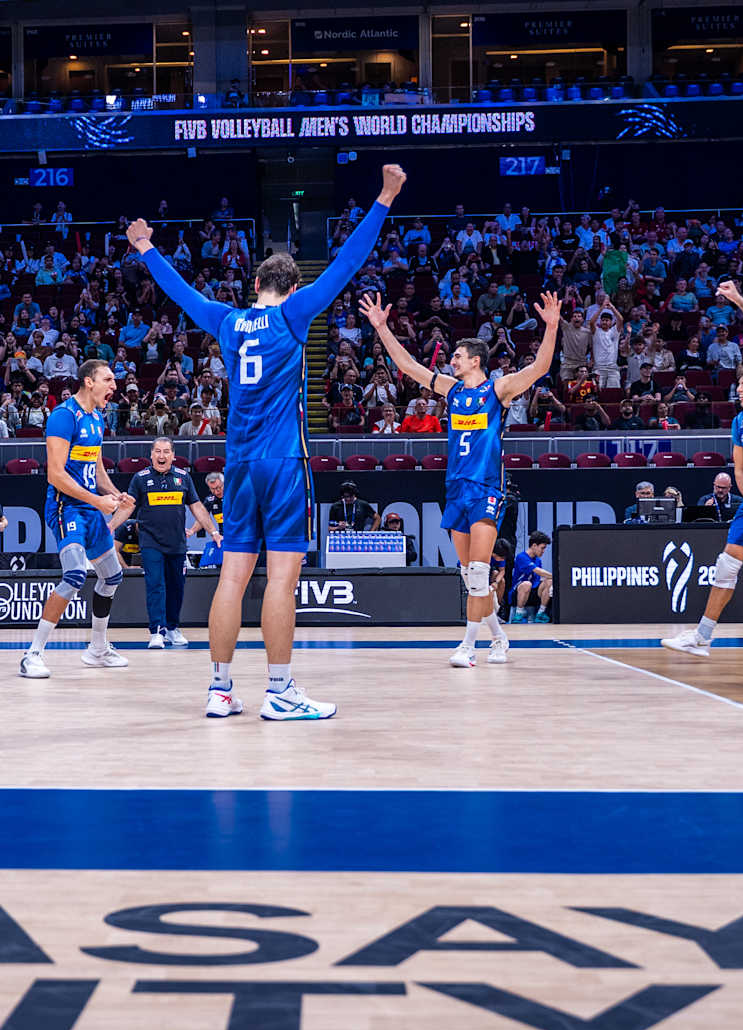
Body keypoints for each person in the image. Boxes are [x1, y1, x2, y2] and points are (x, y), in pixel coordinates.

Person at [127, 162, 406, 718]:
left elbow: (182, 293)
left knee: (232, 577)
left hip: (237, 463)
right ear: (292, 287)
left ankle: (220, 689)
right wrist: (385, 197)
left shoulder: (229, 322)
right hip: (282, 461)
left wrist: (147, 249)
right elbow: (347, 263)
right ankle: (279, 692)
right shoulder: (296, 315)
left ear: (254, 285)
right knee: (282, 578)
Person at [360, 288, 561, 667]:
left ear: (476, 360)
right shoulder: (451, 391)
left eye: (456, 356)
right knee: (472, 578)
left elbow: (539, 369)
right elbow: (407, 367)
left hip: (485, 487)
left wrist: (551, 327)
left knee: (481, 570)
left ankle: (468, 646)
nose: (450, 360)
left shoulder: (497, 389)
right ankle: (499, 639)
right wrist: (382, 329)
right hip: (455, 488)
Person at [19, 359, 128, 678]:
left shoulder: (98, 417)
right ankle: (32, 655)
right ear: (88, 382)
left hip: (91, 506)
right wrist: (97, 500)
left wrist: (114, 493)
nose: (114, 386)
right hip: (66, 506)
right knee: (75, 574)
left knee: (112, 577)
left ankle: (97, 649)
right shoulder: (64, 417)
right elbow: (55, 474)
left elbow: (94, 463)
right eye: (108, 380)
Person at [662, 364, 743, 657]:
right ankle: (701, 637)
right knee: (726, 566)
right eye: (739, 384)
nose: (740, 390)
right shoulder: (741, 422)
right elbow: (741, 470)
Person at [109, 438, 222, 648]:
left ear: (173, 455)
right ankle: (157, 632)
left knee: (176, 587)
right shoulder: (140, 478)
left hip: (177, 542)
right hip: (151, 542)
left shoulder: (183, 477)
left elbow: (197, 507)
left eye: (166, 452)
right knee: (155, 585)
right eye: (158, 452)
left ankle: (172, 628)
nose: (162, 456)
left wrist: (213, 531)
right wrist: (111, 526)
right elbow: (128, 507)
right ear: (151, 454)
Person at [510, 531, 553, 623]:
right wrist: (557, 576)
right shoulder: (521, 557)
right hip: (519, 590)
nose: (543, 551)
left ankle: (540, 613)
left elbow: (539, 576)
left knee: (549, 581)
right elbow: (538, 571)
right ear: (534, 546)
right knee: (527, 584)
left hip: (534, 590)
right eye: (542, 548)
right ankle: (518, 613)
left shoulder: (538, 560)